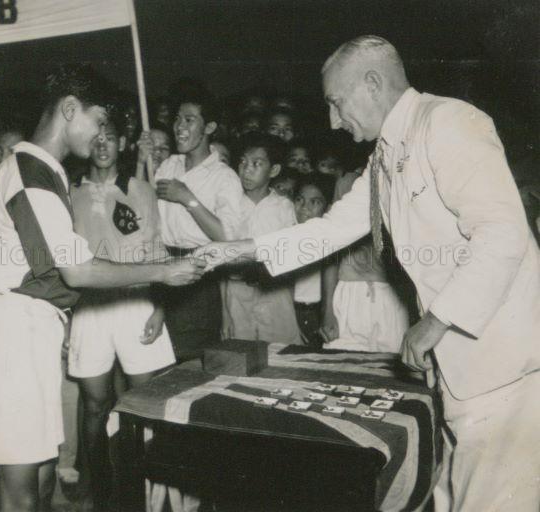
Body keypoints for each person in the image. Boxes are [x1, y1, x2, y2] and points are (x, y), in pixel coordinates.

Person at [197, 35, 540, 512]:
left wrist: (436, 321)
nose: (333, 120)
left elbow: (503, 234)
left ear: (373, 83)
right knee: (448, 496)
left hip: (503, 367)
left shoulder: (448, 122)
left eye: (337, 102)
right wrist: (241, 250)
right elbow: (332, 229)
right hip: (462, 371)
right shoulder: (383, 157)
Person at [0, 64, 205, 512]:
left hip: (32, 328)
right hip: (15, 334)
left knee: (40, 478)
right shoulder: (30, 171)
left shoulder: (44, 171)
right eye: (98, 121)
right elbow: (77, 270)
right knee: (20, 494)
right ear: (70, 109)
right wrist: (164, 271)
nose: (98, 136)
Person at [68, 116, 176, 508]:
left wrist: (159, 307)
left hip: (135, 302)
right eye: (96, 138)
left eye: (110, 138)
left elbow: (157, 250)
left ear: (122, 144)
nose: (102, 145)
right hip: (90, 307)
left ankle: (144, 491)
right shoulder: (69, 193)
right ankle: (99, 490)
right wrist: (66, 316)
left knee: (145, 402)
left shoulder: (140, 190)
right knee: (95, 404)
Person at [153, 85, 242, 361]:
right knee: (157, 360)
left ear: (209, 127)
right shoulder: (168, 165)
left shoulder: (224, 177)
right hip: (161, 269)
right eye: (177, 119)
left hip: (199, 275)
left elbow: (228, 238)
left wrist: (187, 198)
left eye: (189, 120)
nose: (179, 126)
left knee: (190, 363)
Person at [320, 159, 409, 353]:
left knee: (395, 364)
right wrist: (327, 310)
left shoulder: (405, 176)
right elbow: (331, 252)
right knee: (339, 362)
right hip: (350, 292)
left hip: (394, 295)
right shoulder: (347, 183)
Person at [223, 133, 300, 344]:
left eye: (256, 164)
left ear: (274, 170)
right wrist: (224, 311)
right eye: (243, 162)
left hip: (274, 290)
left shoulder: (284, 207)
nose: (246, 170)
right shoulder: (230, 204)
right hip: (237, 290)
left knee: (281, 351)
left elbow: (290, 257)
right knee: (240, 350)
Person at [292, 176, 329, 348]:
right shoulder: (285, 235)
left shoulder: (330, 239)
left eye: (314, 202)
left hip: (319, 312)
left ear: (327, 207)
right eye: (300, 200)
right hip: (291, 310)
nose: (304, 207)